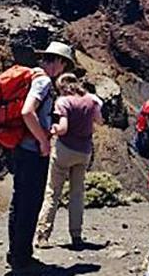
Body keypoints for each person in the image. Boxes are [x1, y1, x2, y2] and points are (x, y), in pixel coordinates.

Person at [7, 41, 74, 272]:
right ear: (59, 62)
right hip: (32, 151)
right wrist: (43, 140)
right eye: (65, 65)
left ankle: (16, 253)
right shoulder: (43, 80)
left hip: (21, 147)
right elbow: (27, 112)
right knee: (30, 203)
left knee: (19, 202)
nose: (63, 71)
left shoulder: (34, 76)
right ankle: (22, 259)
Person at [36, 73, 104, 249]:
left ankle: (43, 235)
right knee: (77, 194)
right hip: (84, 151)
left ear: (62, 87)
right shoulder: (91, 100)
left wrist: (54, 129)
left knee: (53, 192)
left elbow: (63, 128)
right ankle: (76, 235)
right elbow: (99, 121)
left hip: (64, 150)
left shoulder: (63, 102)